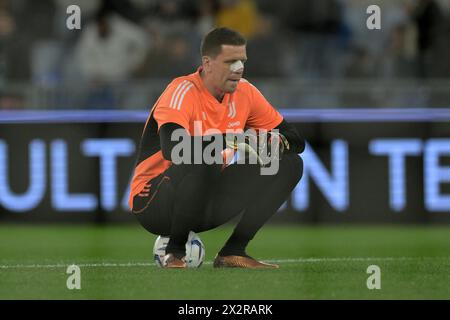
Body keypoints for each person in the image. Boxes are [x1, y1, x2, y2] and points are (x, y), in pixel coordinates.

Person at [128, 27, 304, 268]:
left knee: (288, 163)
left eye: (242, 61)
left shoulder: (246, 93)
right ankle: (175, 253)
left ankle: (234, 251)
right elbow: (173, 149)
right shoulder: (182, 91)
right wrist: (230, 139)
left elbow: (296, 139)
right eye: (230, 62)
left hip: (203, 200)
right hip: (154, 201)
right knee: (206, 158)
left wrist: (279, 142)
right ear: (207, 63)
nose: (239, 69)